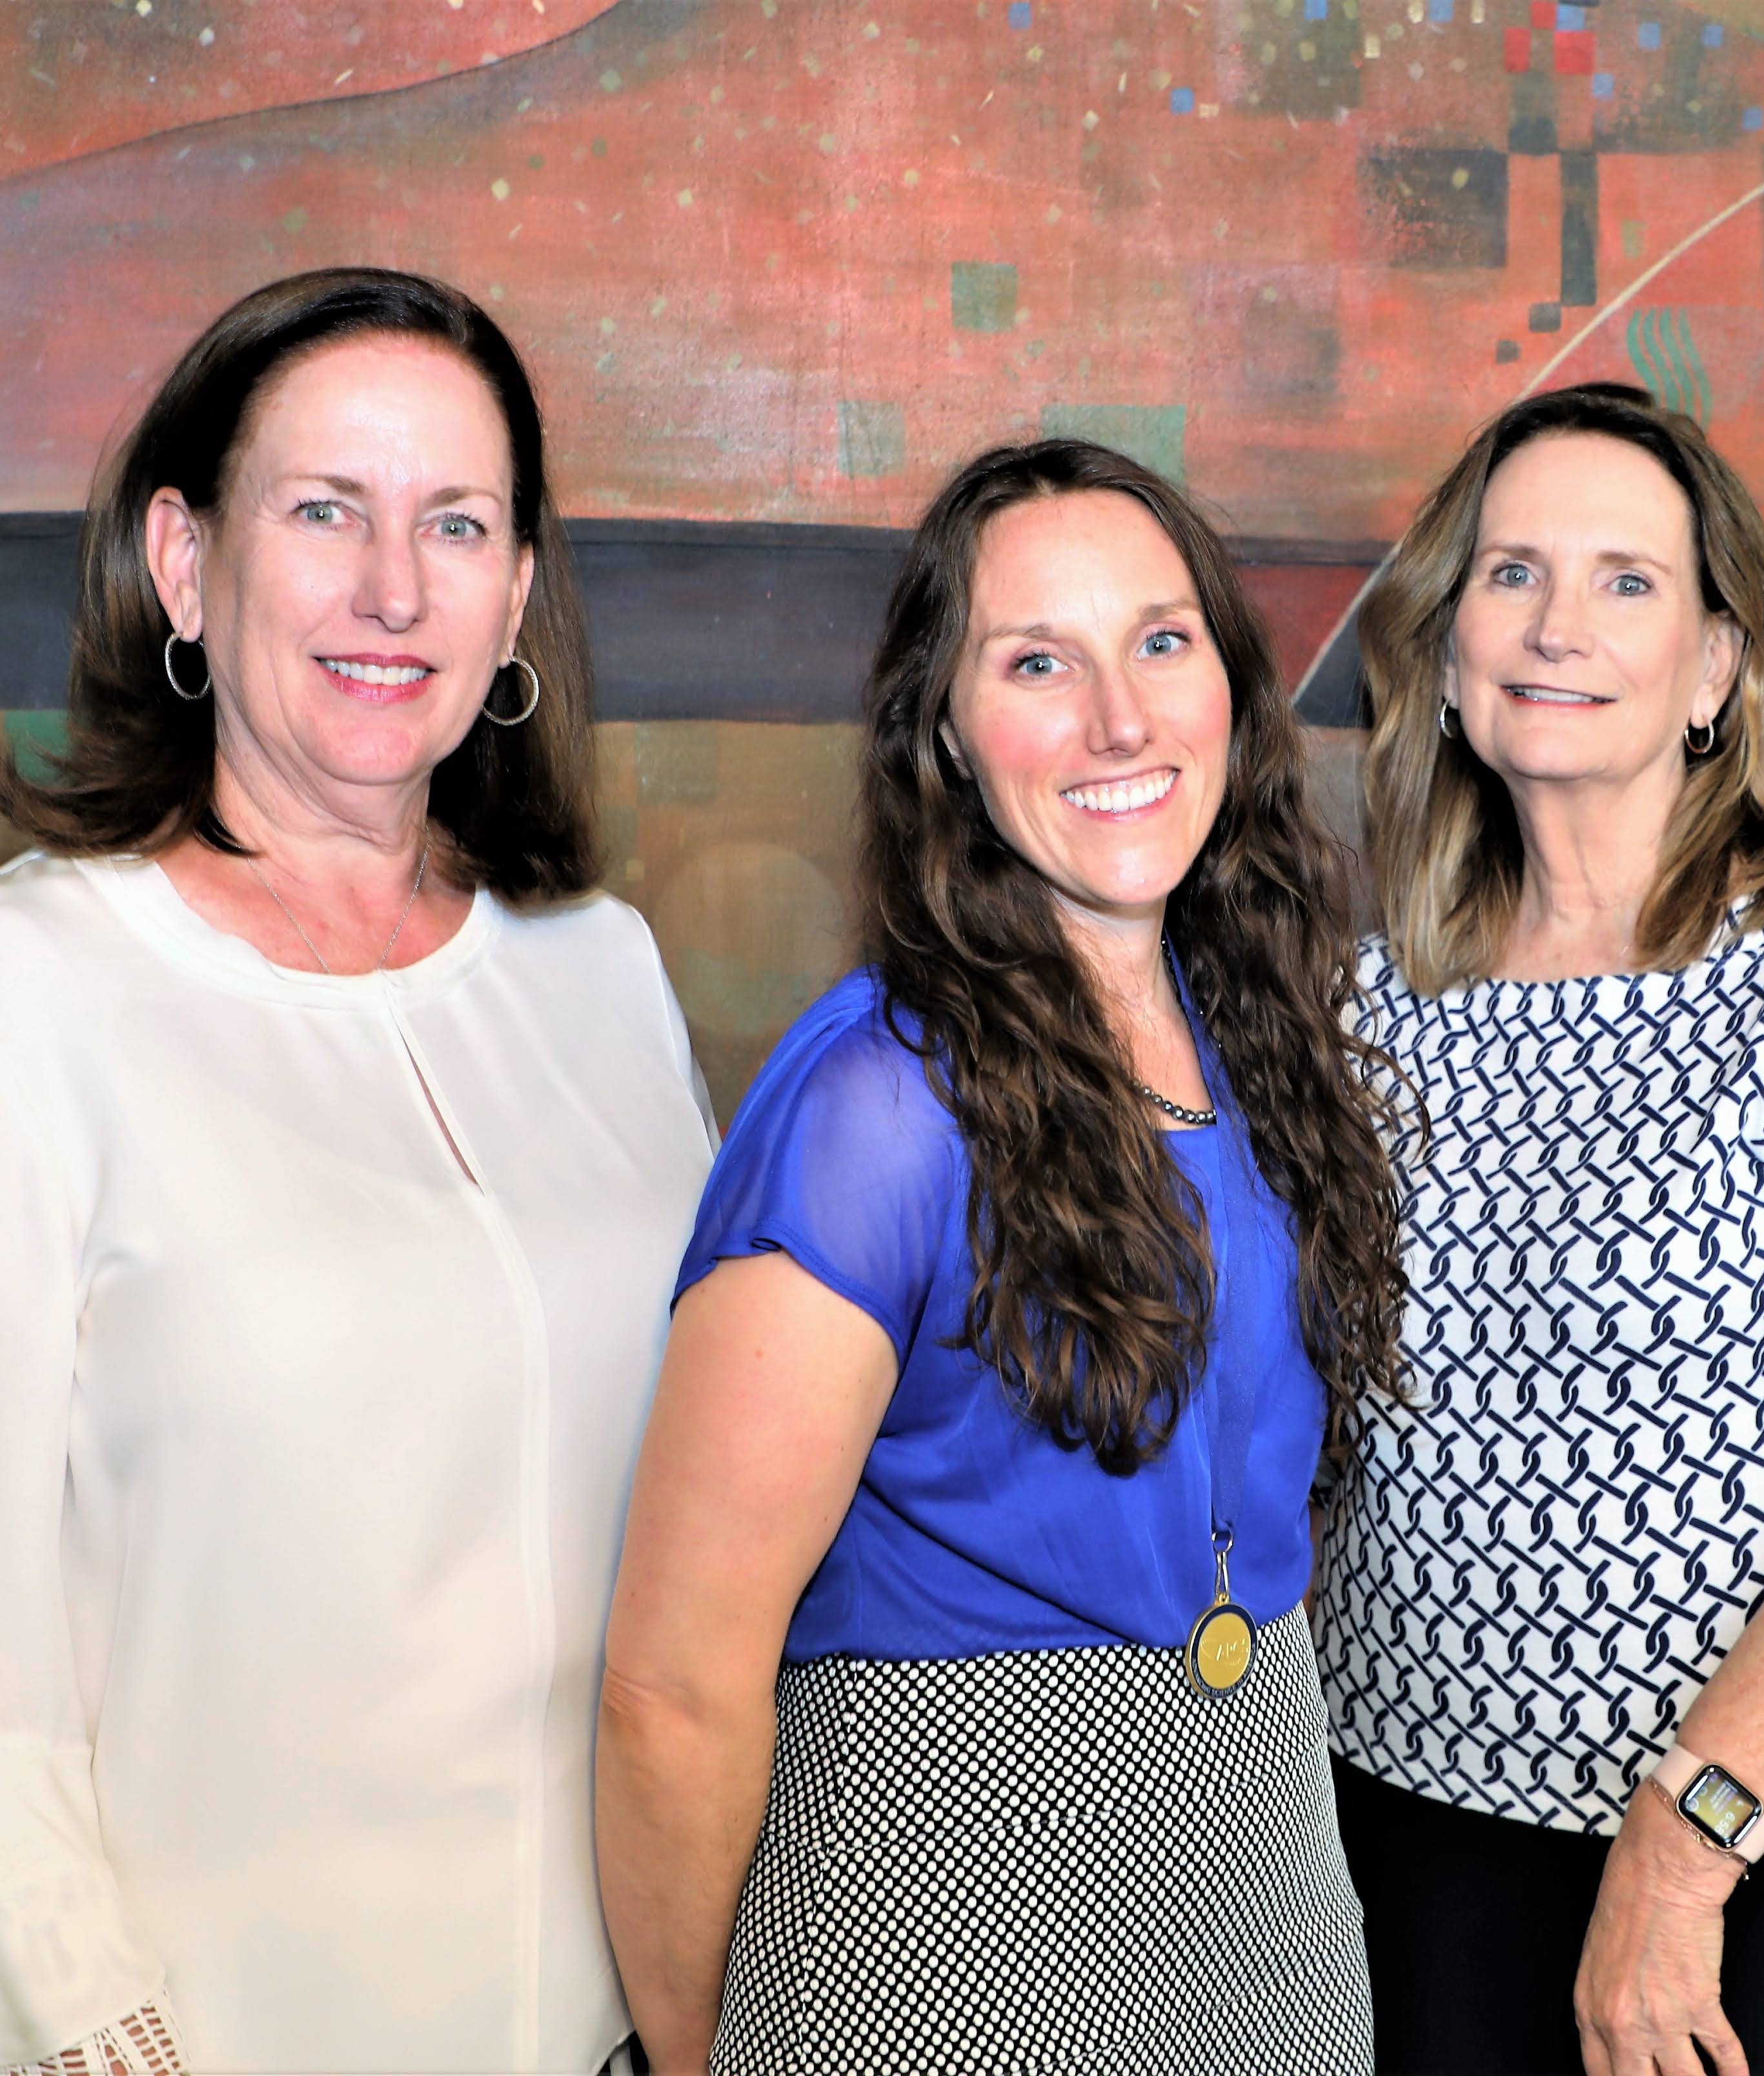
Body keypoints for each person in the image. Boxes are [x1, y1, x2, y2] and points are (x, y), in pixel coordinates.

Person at [0, 269, 714, 2075]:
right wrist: (109, 2033)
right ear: (184, 561)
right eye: (324, 511)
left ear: (516, 596)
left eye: (455, 524)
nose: (392, 589)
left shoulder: (604, 976)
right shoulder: (18, 990)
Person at [593, 438, 1405, 2076]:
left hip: (1268, 1892)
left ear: (1231, 687)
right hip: (945, 1914)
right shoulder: (873, 1106)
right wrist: (692, 2061)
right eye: (1039, 663)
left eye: (1161, 642)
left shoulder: (1266, 1043)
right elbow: (672, 1685)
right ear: (947, 736)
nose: (1120, 720)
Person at [1315, 381, 1764, 2076]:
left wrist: (1681, 1844)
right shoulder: (1365, 1010)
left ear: (1716, 667)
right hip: (1423, 1832)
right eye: (1510, 573)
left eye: (1626, 580)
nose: (1557, 625)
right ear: (1443, 647)